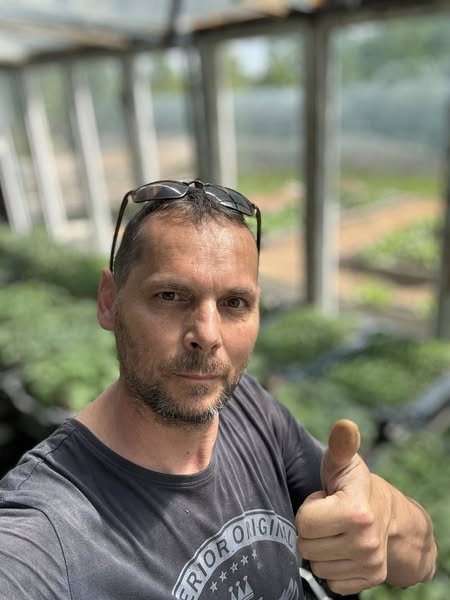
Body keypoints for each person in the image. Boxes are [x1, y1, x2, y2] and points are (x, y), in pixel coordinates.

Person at [0, 180, 436, 599]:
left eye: (234, 303)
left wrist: (386, 516)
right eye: (170, 296)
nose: (207, 335)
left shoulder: (248, 408)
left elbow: (421, 561)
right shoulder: (48, 528)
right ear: (109, 302)